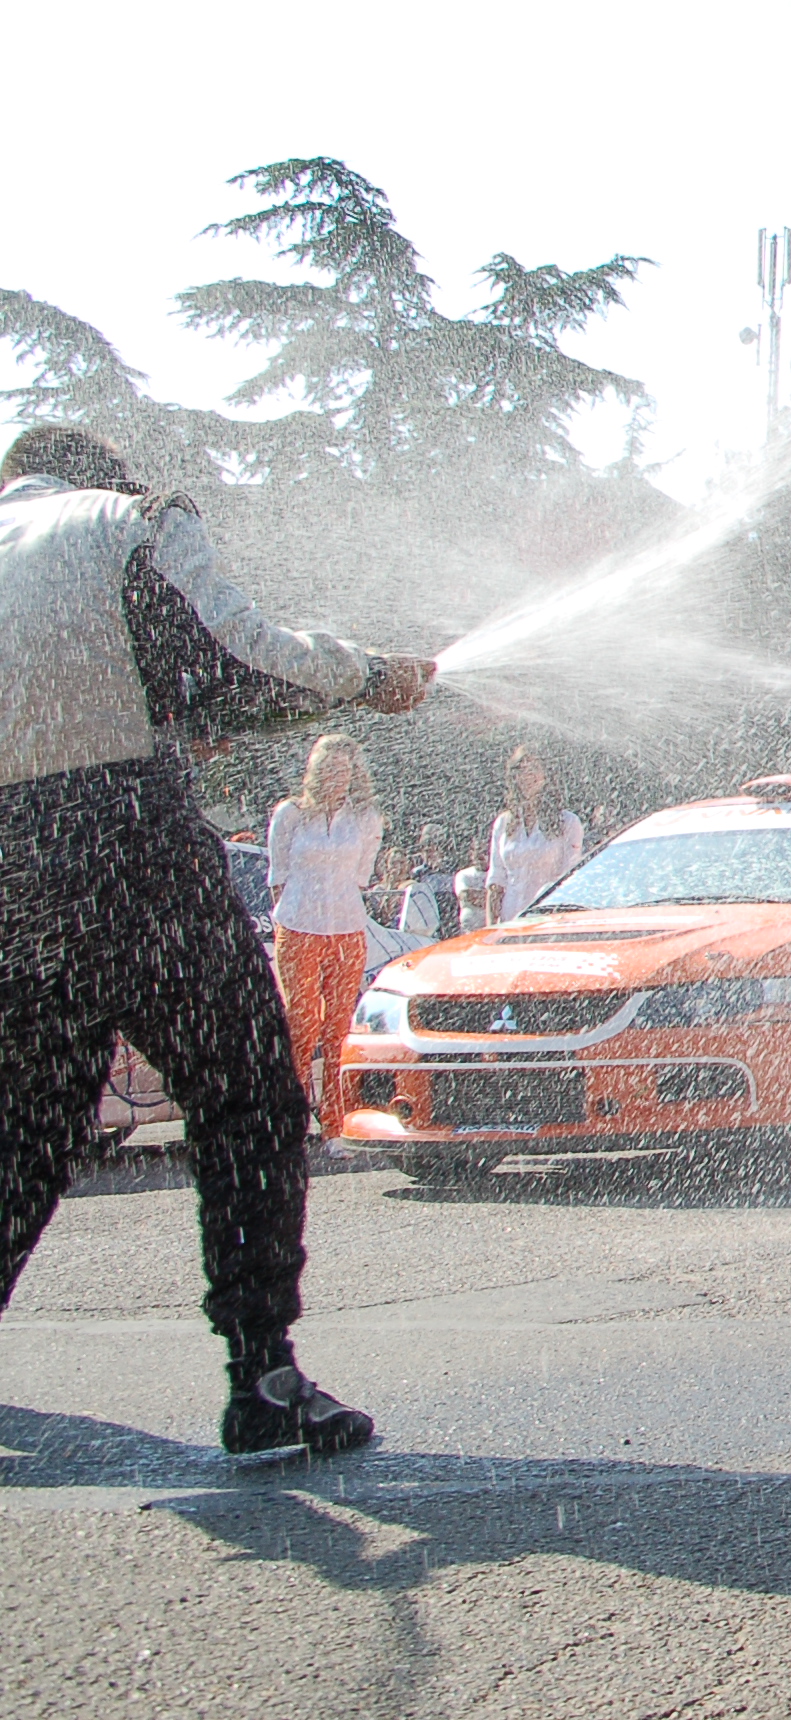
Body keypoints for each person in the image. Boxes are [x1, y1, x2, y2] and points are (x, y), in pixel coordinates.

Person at [0, 424, 432, 1455]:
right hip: (128, 843)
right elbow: (237, 658)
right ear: (107, 476)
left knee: (29, 1125)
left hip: (11, 863)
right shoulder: (131, 522)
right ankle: (262, 1376)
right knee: (247, 1097)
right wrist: (365, 677)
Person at [267, 734, 385, 1114]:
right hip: (298, 927)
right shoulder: (291, 813)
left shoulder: (365, 818)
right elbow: (278, 876)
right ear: (316, 770)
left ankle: (335, 1120)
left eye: (344, 769)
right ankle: (294, 1116)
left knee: (339, 1030)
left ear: (354, 773)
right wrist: (293, 916)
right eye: (330, 768)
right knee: (301, 1026)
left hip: (347, 930)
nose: (337, 776)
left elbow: (361, 876)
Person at [483, 743, 582, 924]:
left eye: (534, 768)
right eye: (521, 769)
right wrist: (490, 926)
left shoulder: (568, 822)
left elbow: (569, 879)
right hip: (510, 920)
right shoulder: (504, 823)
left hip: (548, 920)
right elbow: (496, 879)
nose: (527, 775)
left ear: (546, 775)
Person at [397, 823, 457, 940]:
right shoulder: (418, 873)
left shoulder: (451, 870)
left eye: (432, 849)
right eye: (425, 850)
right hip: (427, 915)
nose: (428, 854)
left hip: (448, 915)